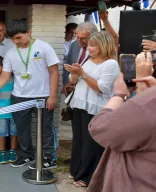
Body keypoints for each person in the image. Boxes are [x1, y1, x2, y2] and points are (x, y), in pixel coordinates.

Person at [0, 19, 59, 170]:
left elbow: (54, 72)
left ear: (28, 33)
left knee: (45, 128)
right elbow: (5, 77)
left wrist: (52, 96)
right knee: (22, 128)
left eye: (18, 37)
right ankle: (27, 155)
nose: (15, 41)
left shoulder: (44, 47)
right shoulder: (11, 53)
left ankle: (49, 157)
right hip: (19, 96)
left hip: (43, 95)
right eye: (13, 38)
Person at [88, 52, 156, 192]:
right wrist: (144, 93)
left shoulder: (150, 102)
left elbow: (100, 128)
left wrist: (118, 95)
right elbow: (142, 126)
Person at [63, 31, 120, 187]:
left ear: (103, 45)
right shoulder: (88, 59)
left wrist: (82, 74)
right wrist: (74, 74)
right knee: (79, 140)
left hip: (96, 108)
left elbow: (101, 88)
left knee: (92, 144)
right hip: (80, 104)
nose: (89, 48)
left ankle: (88, 177)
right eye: (89, 45)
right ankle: (77, 171)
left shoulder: (110, 64)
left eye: (93, 45)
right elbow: (74, 81)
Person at [62, 22, 98, 92]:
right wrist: (67, 84)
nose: (79, 41)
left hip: (91, 89)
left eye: (83, 38)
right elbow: (68, 65)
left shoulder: (99, 49)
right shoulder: (74, 45)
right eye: (77, 37)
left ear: (93, 37)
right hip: (73, 89)